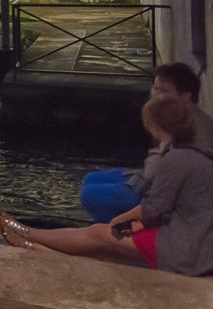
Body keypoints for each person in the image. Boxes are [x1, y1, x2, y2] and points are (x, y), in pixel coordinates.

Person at [0, 96, 213, 276]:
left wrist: (119, 220)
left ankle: (29, 233)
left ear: (155, 127)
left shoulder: (177, 159)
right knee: (105, 252)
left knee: (98, 234)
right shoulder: (193, 153)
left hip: (184, 250)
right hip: (198, 248)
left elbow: (152, 209)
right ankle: (36, 248)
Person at [79, 63, 212, 223]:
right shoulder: (173, 116)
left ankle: (114, 237)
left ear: (185, 96)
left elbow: (160, 176)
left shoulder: (193, 129)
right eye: (155, 90)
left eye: (164, 92)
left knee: (89, 195)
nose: (157, 96)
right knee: (90, 178)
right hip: (145, 177)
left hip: (153, 187)